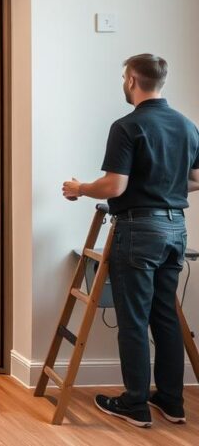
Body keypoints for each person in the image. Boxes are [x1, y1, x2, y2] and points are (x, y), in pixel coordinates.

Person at [62, 53, 199, 427]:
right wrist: (160, 184)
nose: (125, 83)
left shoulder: (127, 126)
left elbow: (114, 185)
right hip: (175, 228)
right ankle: (172, 402)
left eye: (125, 77)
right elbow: (196, 179)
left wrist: (80, 188)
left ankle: (135, 404)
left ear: (133, 79)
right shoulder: (188, 126)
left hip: (139, 229)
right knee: (166, 318)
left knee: (134, 319)